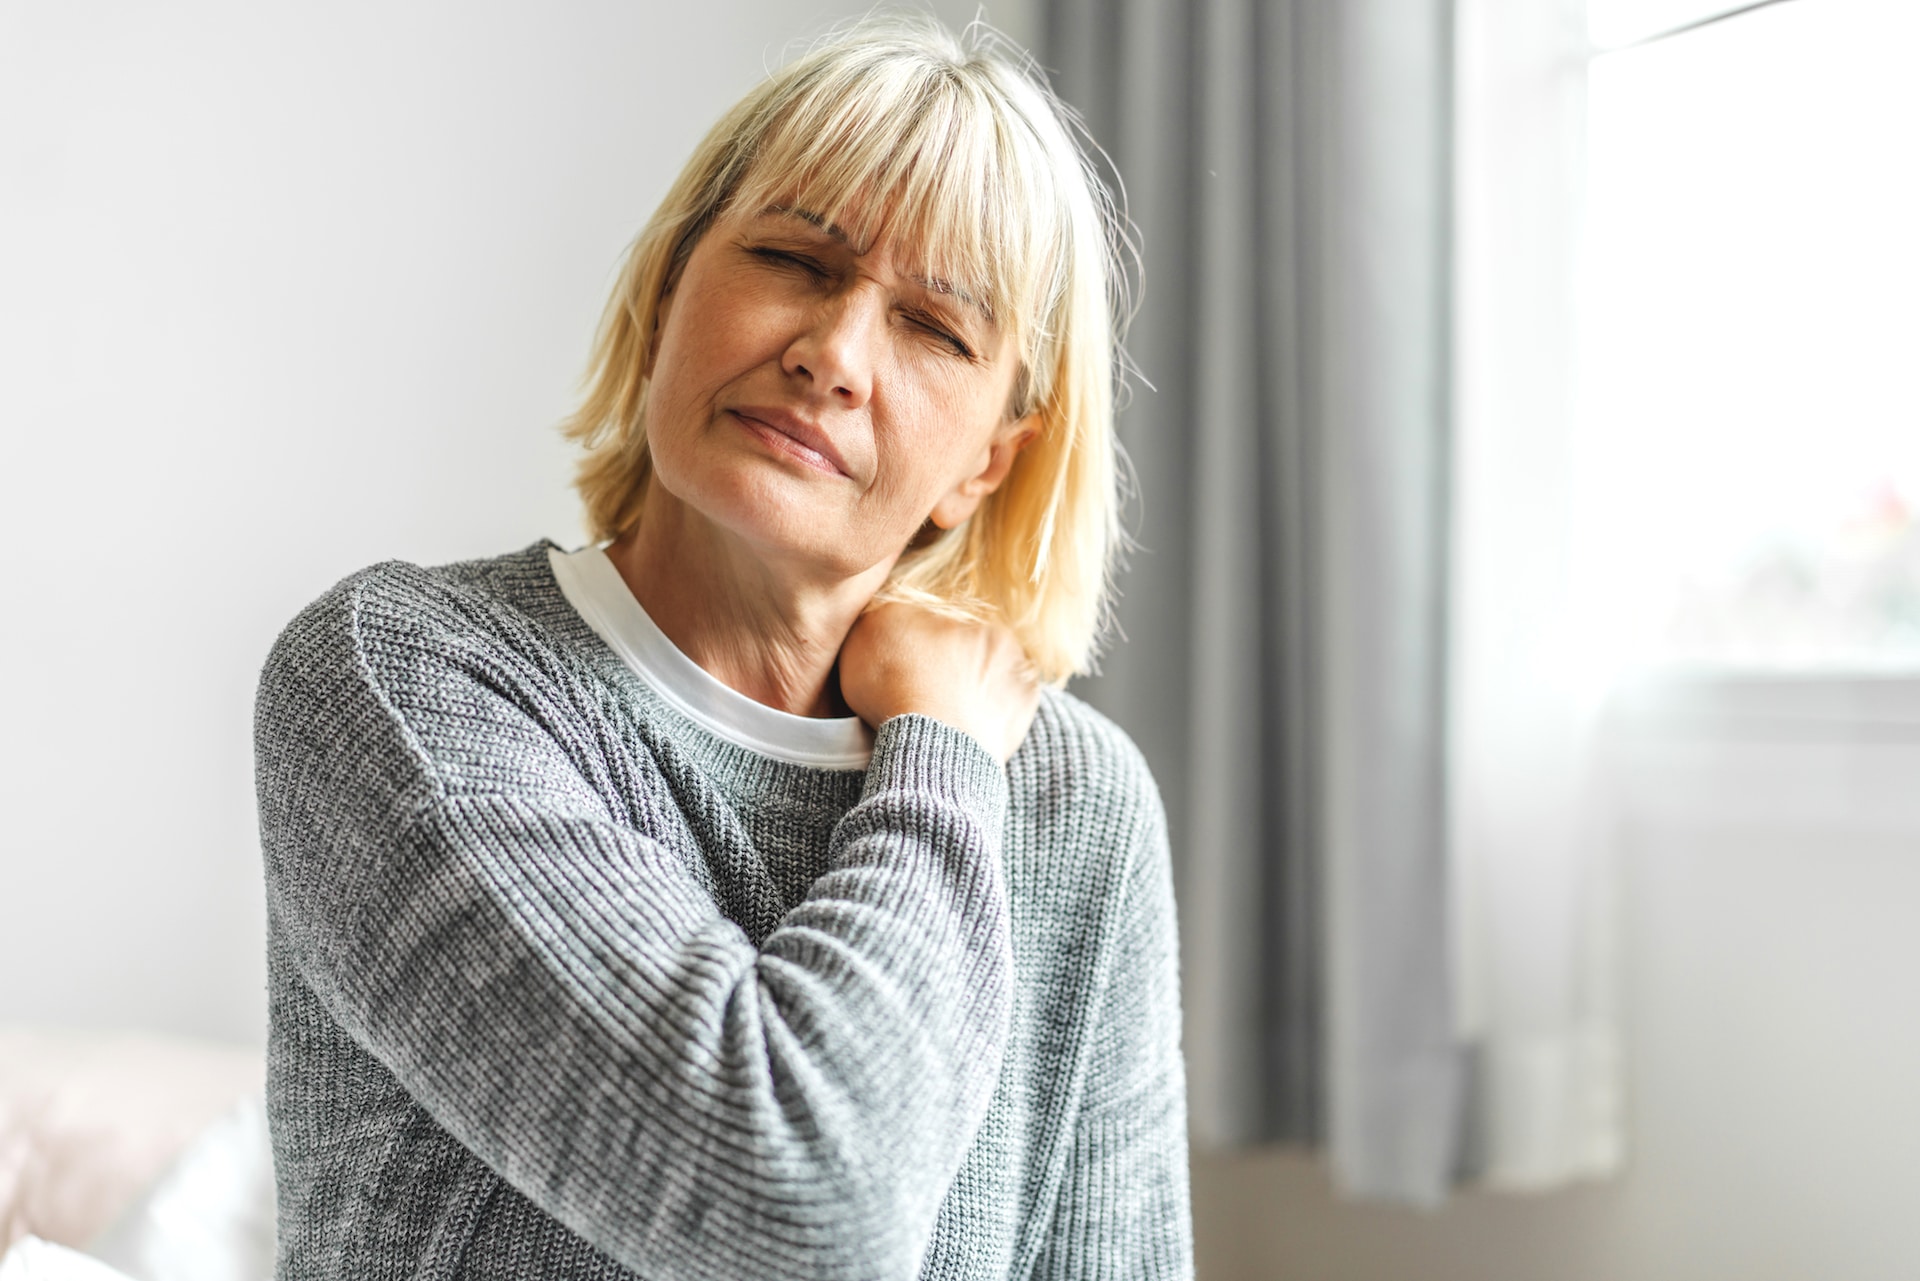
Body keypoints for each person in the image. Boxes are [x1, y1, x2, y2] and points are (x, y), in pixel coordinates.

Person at [254, 15, 1191, 1280]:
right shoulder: (399, 678)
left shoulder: (1078, 806)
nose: (834, 354)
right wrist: (942, 755)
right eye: (795, 260)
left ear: (987, 462)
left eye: (935, 328)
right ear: (667, 289)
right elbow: (798, 1207)